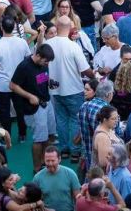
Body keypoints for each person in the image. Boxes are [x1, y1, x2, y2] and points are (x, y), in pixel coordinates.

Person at [45, 17, 94, 161]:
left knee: (60, 119)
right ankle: (75, 151)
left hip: (55, 89)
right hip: (74, 89)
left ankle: (64, 149)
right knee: (74, 120)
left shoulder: (48, 44)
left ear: (56, 26)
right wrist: (95, 76)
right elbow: (85, 69)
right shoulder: (73, 46)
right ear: (69, 28)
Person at [8, 43, 56, 171]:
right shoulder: (24, 66)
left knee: (50, 136)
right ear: (38, 56)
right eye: (45, 61)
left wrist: (49, 82)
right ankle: (37, 168)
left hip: (47, 103)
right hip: (34, 108)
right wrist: (29, 96)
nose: (47, 64)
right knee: (39, 139)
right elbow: (12, 85)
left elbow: (40, 78)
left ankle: (45, 162)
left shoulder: (43, 64)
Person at [0, 16, 32, 144]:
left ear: (1, 27)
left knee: (4, 111)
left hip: (2, 84)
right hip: (19, 84)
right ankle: (22, 134)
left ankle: (6, 136)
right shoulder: (22, 42)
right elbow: (28, 61)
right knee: (20, 109)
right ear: (13, 27)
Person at [32, 147, 79, 211]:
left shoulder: (70, 174)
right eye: (47, 161)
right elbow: (34, 201)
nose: (50, 164)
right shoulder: (37, 177)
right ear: (44, 160)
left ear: (59, 159)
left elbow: (77, 197)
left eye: (53, 161)